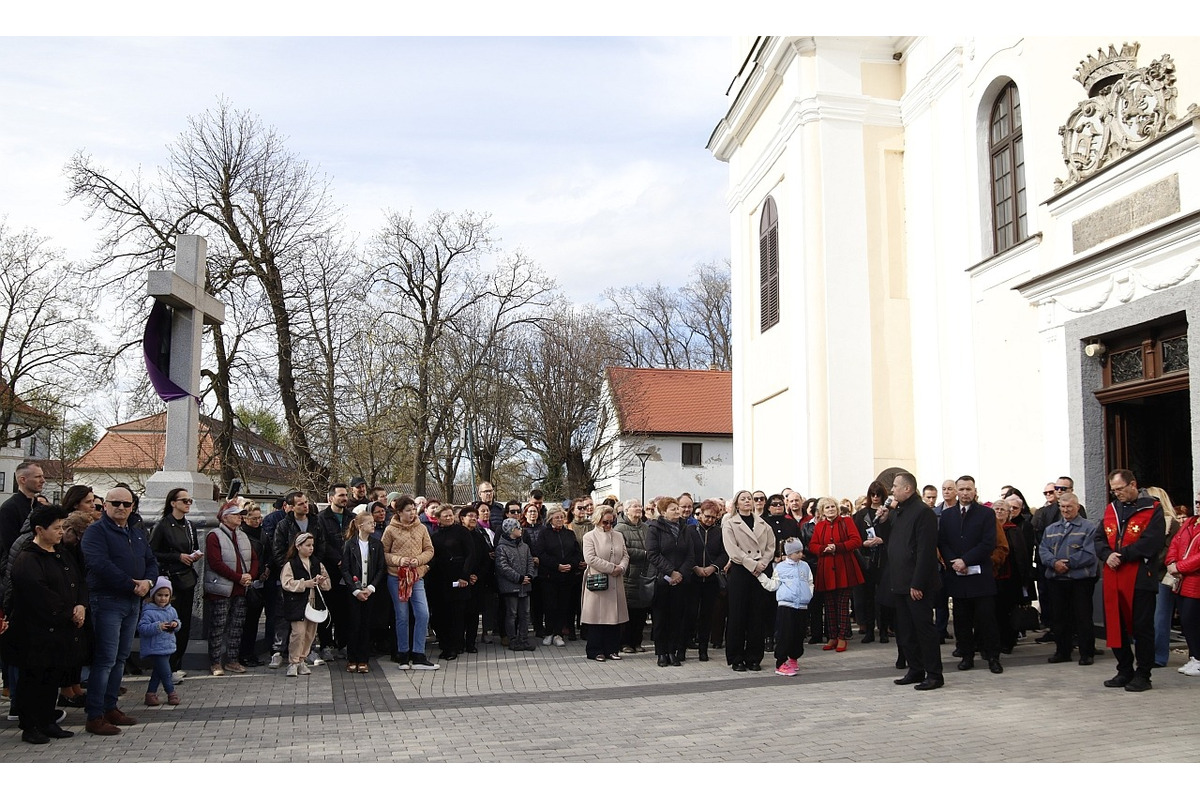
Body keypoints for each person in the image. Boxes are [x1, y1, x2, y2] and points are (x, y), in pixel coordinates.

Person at [4, 503, 85, 743]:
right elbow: (39, 594)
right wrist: (68, 612)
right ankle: (31, 725)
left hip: (60, 631)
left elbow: (78, 580)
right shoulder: (28, 558)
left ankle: (48, 720)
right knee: (34, 679)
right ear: (40, 529)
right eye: (56, 528)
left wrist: (81, 604)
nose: (61, 532)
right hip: (34, 632)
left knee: (52, 677)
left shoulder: (62, 553)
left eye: (62, 527)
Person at [81, 486, 157, 735]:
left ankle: (110, 706)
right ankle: (95, 715)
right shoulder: (96, 532)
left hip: (132, 601)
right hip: (108, 600)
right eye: (115, 503)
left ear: (133, 507)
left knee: (121, 658)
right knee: (105, 659)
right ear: (105, 506)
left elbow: (151, 561)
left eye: (126, 504)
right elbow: (98, 563)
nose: (121, 508)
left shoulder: (136, 533)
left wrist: (148, 582)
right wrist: (131, 584)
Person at [1095, 469, 1165, 692]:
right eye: (1113, 490)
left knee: (1142, 627)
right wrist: (1107, 555)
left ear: (1133, 484)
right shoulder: (1111, 510)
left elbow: (1151, 542)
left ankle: (1143, 673)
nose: (1116, 494)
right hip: (1114, 577)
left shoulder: (1152, 509)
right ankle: (1124, 670)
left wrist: (1122, 555)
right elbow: (1098, 538)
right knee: (1115, 625)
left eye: (1120, 489)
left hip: (1140, 578)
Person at [876, 471, 943, 691]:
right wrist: (884, 520)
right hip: (899, 581)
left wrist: (918, 583)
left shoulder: (923, 513)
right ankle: (915, 669)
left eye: (895, 486)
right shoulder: (898, 511)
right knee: (905, 631)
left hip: (916, 585)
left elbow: (925, 552)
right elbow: (891, 540)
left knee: (923, 629)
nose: (892, 490)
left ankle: (934, 674)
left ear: (908, 489)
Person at [938, 476, 1003, 674]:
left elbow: (988, 543)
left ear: (975, 491)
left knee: (986, 619)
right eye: (962, 489)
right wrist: (955, 563)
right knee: (961, 620)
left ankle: (993, 656)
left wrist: (966, 561)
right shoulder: (947, 515)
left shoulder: (986, 514)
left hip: (980, 577)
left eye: (969, 489)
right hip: (958, 577)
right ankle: (966, 655)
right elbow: (943, 542)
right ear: (956, 491)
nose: (965, 493)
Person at [1039, 492, 1099, 666]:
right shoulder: (1051, 529)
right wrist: (1053, 563)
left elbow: (1090, 553)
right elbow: (1043, 550)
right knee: (1059, 618)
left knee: (1083, 617)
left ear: (1077, 507)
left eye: (1069, 507)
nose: (1066, 510)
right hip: (1056, 580)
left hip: (1080, 580)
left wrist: (1068, 563)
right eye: (1063, 507)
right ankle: (1062, 651)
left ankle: (1086, 653)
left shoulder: (1089, 528)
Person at [148, 488, 201, 682]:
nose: (188, 503)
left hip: (186, 578)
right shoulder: (162, 525)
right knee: (170, 622)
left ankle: (177, 664)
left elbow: (192, 547)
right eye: (184, 500)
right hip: (170, 580)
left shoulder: (189, 525)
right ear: (173, 503)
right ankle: (166, 667)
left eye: (190, 500)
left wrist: (193, 555)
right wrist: (177, 556)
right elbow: (152, 552)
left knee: (183, 623)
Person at [381, 496, 438, 670]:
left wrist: (418, 560)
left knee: (423, 613)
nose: (412, 513)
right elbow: (383, 553)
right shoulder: (390, 530)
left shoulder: (421, 528)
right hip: (396, 577)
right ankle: (403, 654)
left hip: (416, 576)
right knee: (402, 616)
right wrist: (399, 560)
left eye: (414, 509)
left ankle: (419, 654)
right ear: (399, 512)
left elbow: (429, 550)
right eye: (408, 510)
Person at [721, 489, 775, 672]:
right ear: (736, 503)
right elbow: (732, 550)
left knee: (756, 616)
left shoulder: (763, 523)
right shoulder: (730, 523)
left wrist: (763, 563)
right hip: (741, 571)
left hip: (759, 572)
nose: (747, 501)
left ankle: (754, 657)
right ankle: (736, 657)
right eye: (742, 499)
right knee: (737, 616)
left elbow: (770, 546)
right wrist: (751, 564)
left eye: (749, 499)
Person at [202, 501, 257, 676]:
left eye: (241, 514)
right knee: (218, 627)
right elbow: (216, 563)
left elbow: (253, 558)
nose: (240, 517)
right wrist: (238, 577)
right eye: (236, 514)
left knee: (237, 626)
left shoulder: (243, 535)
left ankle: (233, 660)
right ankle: (215, 662)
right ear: (225, 517)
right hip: (221, 589)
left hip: (241, 589)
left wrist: (250, 576)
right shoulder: (214, 535)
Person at [808, 497, 864, 652]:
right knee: (829, 605)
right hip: (826, 569)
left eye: (833, 506)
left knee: (842, 604)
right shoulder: (819, 526)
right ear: (822, 511)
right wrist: (823, 549)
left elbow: (856, 540)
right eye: (827, 507)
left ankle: (842, 636)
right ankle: (832, 636)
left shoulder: (847, 522)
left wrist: (838, 547)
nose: (831, 509)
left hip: (844, 568)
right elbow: (812, 545)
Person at [269, 491, 319, 668]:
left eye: (306, 502)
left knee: (310, 615)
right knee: (284, 615)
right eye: (300, 504)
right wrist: (292, 567)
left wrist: (314, 565)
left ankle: (308, 651)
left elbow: (321, 546)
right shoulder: (284, 525)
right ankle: (278, 650)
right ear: (290, 506)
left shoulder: (315, 522)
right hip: (291, 573)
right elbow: (278, 550)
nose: (305, 506)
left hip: (311, 571)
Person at [646, 497, 696, 667]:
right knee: (661, 618)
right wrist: (671, 572)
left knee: (677, 618)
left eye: (677, 508)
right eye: (673, 509)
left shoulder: (686, 529)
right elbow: (653, 554)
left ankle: (672, 651)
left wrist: (680, 573)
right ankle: (661, 652)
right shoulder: (654, 529)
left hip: (681, 581)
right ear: (663, 512)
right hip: (662, 580)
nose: (678, 511)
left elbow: (690, 555)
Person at [756, 537, 814, 676]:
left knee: (798, 633)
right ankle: (781, 662)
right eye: (797, 552)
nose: (800, 554)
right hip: (786, 605)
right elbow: (773, 585)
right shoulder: (780, 568)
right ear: (789, 554)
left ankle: (794, 657)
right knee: (785, 634)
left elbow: (810, 581)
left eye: (801, 551)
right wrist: (761, 577)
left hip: (802, 605)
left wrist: (809, 594)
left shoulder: (805, 566)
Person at [580, 505, 629, 662]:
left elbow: (625, 555)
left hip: (616, 581)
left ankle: (612, 649)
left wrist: (621, 567)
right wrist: (611, 568)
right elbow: (590, 558)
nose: (608, 525)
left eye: (610, 522)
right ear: (598, 520)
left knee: (614, 617)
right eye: (605, 522)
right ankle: (595, 650)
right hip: (599, 580)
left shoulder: (618, 536)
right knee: (597, 617)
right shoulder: (590, 537)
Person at [279, 532, 332, 677]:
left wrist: (321, 582)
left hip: (314, 603)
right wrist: (304, 584)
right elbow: (286, 583)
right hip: (297, 604)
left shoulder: (316, 563)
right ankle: (293, 662)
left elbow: (327, 583)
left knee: (310, 634)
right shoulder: (291, 564)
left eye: (312, 545)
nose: (311, 548)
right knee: (298, 633)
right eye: (307, 545)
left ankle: (302, 660)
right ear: (298, 546)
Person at [340, 512, 386, 673]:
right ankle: (352, 658)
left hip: (370, 591)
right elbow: (345, 569)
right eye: (370, 523)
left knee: (366, 625)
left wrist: (371, 588)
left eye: (373, 522)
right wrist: (355, 590)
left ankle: (363, 659)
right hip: (354, 592)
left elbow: (381, 568)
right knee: (354, 624)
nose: (373, 525)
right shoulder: (349, 544)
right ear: (360, 526)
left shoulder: (377, 544)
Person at [429, 506, 475, 661]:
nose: (449, 518)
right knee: (441, 616)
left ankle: (454, 647)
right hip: (441, 579)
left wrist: (465, 576)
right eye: (445, 516)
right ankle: (445, 643)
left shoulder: (462, 532)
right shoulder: (434, 536)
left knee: (456, 615)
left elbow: (470, 554)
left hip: (459, 578)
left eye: (450, 515)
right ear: (438, 518)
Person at [315, 484, 353, 662]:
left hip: (349, 571)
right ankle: (326, 645)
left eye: (346, 495)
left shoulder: (352, 517)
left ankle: (342, 643)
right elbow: (322, 543)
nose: (344, 498)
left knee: (345, 611)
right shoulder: (321, 518)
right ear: (331, 498)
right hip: (330, 570)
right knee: (327, 610)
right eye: (340, 495)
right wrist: (337, 559)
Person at [533, 507, 581, 648]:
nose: (560, 520)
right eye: (557, 518)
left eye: (562, 517)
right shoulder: (544, 533)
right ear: (550, 519)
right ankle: (549, 632)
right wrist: (556, 566)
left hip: (567, 576)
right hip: (550, 576)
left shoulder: (570, 534)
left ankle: (559, 633)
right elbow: (541, 554)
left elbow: (576, 553)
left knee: (563, 606)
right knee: (550, 605)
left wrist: (571, 565)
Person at [1146, 486, 1182, 668]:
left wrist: (1146, 560)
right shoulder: (1146, 521)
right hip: (1146, 576)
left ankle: (1159, 656)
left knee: (1160, 618)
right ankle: (1147, 653)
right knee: (1146, 617)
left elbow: (1170, 552)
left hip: (1163, 576)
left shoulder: (1172, 524)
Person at [1165, 498, 1200, 676]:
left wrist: (1180, 567)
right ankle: (1194, 657)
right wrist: (1171, 563)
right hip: (1182, 581)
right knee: (1186, 622)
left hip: (1195, 580)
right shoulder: (1189, 523)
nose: (1198, 505)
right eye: (1197, 501)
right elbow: (1175, 544)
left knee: (1192, 620)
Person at [852, 481, 890, 644]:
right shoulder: (861, 515)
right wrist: (863, 543)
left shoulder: (890, 512)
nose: (875, 498)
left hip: (884, 559)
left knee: (883, 597)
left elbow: (895, 534)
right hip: (866, 559)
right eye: (873, 494)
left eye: (878, 495)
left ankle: (884, 630)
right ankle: (868, 630)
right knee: (867, 596)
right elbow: (855, 537)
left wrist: (883, 540)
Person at [692, 499, 728, 662]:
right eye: (707, 517)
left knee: (708, 614)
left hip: (712, 577)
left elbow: (724, 553)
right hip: (693, 577)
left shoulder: (719, 532)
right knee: (690, 613)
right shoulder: (690, 530)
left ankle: (703, 649)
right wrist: (695, 567)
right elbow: (687, 551)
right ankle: (683, 647)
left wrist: (713, 567)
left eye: (714, 518)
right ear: (700, 515)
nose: (710, 520)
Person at [138, 577, 181, 706]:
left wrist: (175, 624)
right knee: (166, 673)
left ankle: (150, 694)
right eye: (159, 595)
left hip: (168, 645)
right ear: (153, 595)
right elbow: (142, 628)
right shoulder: (148, 612)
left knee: (158, 671)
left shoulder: (171, 610)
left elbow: (178, 622)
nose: (163, 598)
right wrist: (158, 627)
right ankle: (171, 693)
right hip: (155, 647)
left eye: (166, 595)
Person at [494, 518, 536, 651]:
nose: (521, 530)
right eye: (518, 528)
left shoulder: (525, 546)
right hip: (511, 587)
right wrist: (518, 578)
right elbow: (503, 567)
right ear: (512, 530)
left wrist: (529, 576)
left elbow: (530, 561)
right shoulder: (502, 548)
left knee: (525, 613)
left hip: (525, 585)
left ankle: (523, 638)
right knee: (512, 614)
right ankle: (512, 639)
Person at [616, 499, 650, 654]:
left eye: (640, 506)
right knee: (628, 611)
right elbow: (622, 550)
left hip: (644, 574)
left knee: (641, 611)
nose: (639, 509)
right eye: (635, 506)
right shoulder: (620, 528)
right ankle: (625, 643)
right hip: (629, 575)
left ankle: (637, 642)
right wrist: (643, 554)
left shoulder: (645, 527)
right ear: (626, 510)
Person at [238, 501, 270, 667]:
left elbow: (267, 553)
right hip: (247, 580)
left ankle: (249, 653)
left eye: (259, 518)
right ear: (245, 518)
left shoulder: (263, 533)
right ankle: (243, 654)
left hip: (260, 580)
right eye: (254, 518)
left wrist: (267, 568)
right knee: (245, 621)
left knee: (254, 621)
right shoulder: (242, 535)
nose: (258, 521)